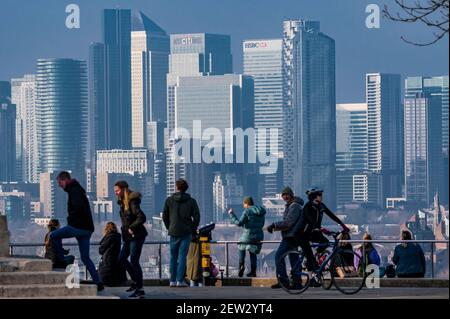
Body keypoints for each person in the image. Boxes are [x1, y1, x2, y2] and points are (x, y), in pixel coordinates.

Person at [49, 171, 104, 291]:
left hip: (78, 226)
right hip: (87, 229)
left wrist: (71, 220)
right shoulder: (77, 189)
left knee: (53, 235)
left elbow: (78, 208)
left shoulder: (74, 190)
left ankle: (62, 260)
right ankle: (98, 282)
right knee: (85, 257)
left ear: (65, 180)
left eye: (59, 182)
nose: (59, 185)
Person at [163, 179, 200, 288]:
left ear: (176, 187)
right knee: (183, 256)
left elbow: (164, 216)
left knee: (173, 257)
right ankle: (180, 280)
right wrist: (193, 229)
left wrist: (169, 227)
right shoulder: (191, 201)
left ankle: (172, 281)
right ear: (186, 188)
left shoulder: (169, 200)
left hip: (173, 231)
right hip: (186, 232)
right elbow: (197, 217)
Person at [265, 187, 304, 289]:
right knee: (294, 259)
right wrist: (275, 227)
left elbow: (288, 223)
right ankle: (296, 283)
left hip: (290, 237)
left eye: (287, 194)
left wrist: (274, 225)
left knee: (279, 256)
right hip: (293, 236)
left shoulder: (294, 206)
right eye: (283, 195)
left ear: (291, 195)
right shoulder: (292, 205)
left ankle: (284, 281)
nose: (285, 196)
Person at [114, 180, 148, 298]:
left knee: (134, 261)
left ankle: (140, 289)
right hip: (129, 237)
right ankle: (135, 282)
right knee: (121, 258)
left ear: (124, 189)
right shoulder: (123, 202)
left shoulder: (132, 201)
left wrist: (131, 228)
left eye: (117, 190)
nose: (116, 193)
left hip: (137, 236)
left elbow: (142, 217)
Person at [228, 196, 266, 278]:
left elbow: (239, 223)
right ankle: (253, 272)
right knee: (253, 252)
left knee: (241, 245)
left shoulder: (247, 211)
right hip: (258, 235)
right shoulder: (261, 212)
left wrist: (232, 214)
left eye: (244, 204)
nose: (243, 206)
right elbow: (261, 224)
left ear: (247, 203)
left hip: (248, 235)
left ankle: (241, 266)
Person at [98, 222, 124, 287]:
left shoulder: (110, 237)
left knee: (100, 271)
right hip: (114, 260)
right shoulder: (117, 236)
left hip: (108, 260)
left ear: (106, 229)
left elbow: (101, 250)